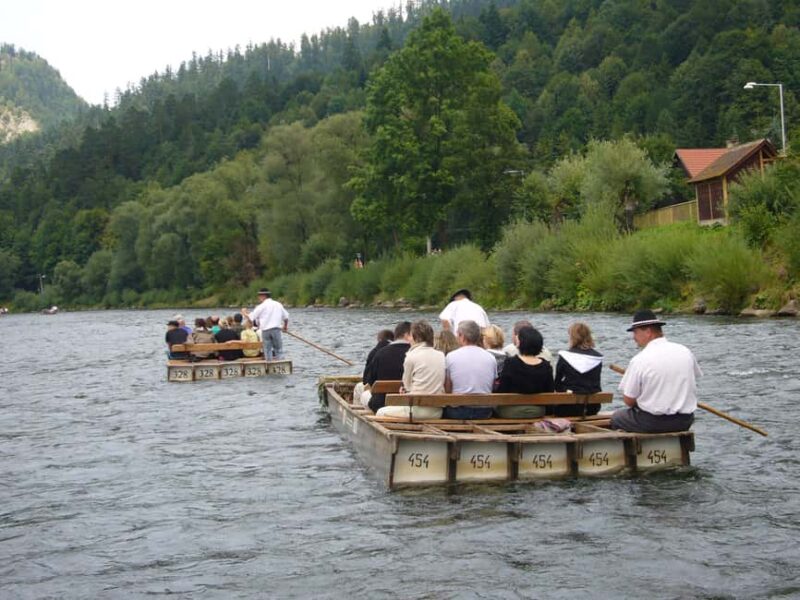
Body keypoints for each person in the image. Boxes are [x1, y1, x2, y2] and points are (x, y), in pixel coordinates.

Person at [611, 310, 701, 433]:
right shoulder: (685, 351)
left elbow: (628, 400)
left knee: (617, 417)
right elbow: (694, 378)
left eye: (636, 332)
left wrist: (647, 398)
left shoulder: (640, 359)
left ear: (648, 332)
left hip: (653, 422)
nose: (634, 337)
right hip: (684, 421)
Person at [376, 320, 445, 420]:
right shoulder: (441, 355)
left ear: (415, 337)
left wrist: (404, 390)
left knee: (380, 412)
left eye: (411, 336)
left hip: (417, 410)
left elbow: (407, 386)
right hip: (437, 411)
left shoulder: (411, 356)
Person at [494, 326, 554, 418]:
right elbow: (549, 391)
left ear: (521, 343)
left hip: (511, 411)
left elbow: (502, 390)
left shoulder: (511, 363)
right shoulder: (546, 366)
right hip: (537, 411)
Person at [442, 320, 496, 419]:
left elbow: (448, 389)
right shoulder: (491, 357)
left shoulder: (451, 356)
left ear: (462, 336)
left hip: (458, 411)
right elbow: (491, 386)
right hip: (484, 411)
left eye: (457, 334)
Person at [552, 322, 603, 417]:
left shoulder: (565, 356)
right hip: (592, 407)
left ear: (572, 337)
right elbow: (597, 383)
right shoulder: (597, 358)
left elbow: (557, 383)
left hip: (568, 407)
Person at [364, 321, 413, 413]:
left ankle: (368, 419)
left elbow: (370, 382)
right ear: (407, 335)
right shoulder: (415, 353)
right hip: (409, 403)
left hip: (382, 404)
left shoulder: (380, 353)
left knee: (364, 394)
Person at [353, 329, 395, 407]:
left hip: (379, 397)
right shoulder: (403, 351)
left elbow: (366, 380)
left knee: (358, 388)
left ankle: (360, 411)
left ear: (379, 339)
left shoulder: (375, 352)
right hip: (397, 392)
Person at [245, 289, 289, 361]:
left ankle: (269, 364)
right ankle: (280, 364)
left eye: (259, 296)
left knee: (267, 350)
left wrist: (244, 313)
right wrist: (285, 327)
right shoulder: (278, 304)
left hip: (265, 331)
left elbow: (251, 317)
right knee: (278, 349)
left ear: (263, 296)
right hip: (276, 330)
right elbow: (286, 317)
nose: (258, 298)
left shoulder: (261, 306)